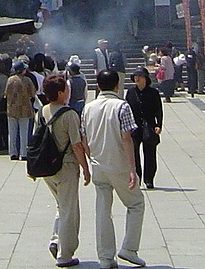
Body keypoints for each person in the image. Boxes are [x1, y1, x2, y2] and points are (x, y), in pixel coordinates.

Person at [82, 68, 146, 269]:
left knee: (102, 210)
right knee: (135, 204)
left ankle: (105, 257)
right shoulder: (122, 106)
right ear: (117, 85)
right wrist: (132, 168)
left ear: (98, 86)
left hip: (98, 164)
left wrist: (91, 157)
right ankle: (129, 248)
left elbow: (84, 138)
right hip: (119, 164)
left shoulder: (88, 108)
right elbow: (127, 138)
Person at [38, 72, 90, 269]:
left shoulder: (42, 111)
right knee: (70, 210)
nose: (69, 91)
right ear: (60, 93)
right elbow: (77, 144)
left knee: (62, 206)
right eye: (67, 89)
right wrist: (85, 168)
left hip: (47, 167)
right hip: (66, 166)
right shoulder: (69, 114)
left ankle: (56, 239)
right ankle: (64, 254)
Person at [124, 67, 163, 190]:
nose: (137, 79)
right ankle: (137, 177)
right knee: (134, 153)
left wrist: (158, 125)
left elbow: (158, 110)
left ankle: (149, 179)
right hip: (134, 127)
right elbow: (127, 110)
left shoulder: (153, 92)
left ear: (145, 78)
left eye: (140, 76)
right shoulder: (131, 92)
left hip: (149, 126)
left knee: (150, 154)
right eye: (135, 76)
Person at [6, 61, 37, 160]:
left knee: (12, 133)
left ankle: (13, 153)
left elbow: (6, 94)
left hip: (12, 108)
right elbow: (33, 93)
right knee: (24, 132)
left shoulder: (10, 80)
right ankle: (23, 153)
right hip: (25, 109)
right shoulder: (27, 80)